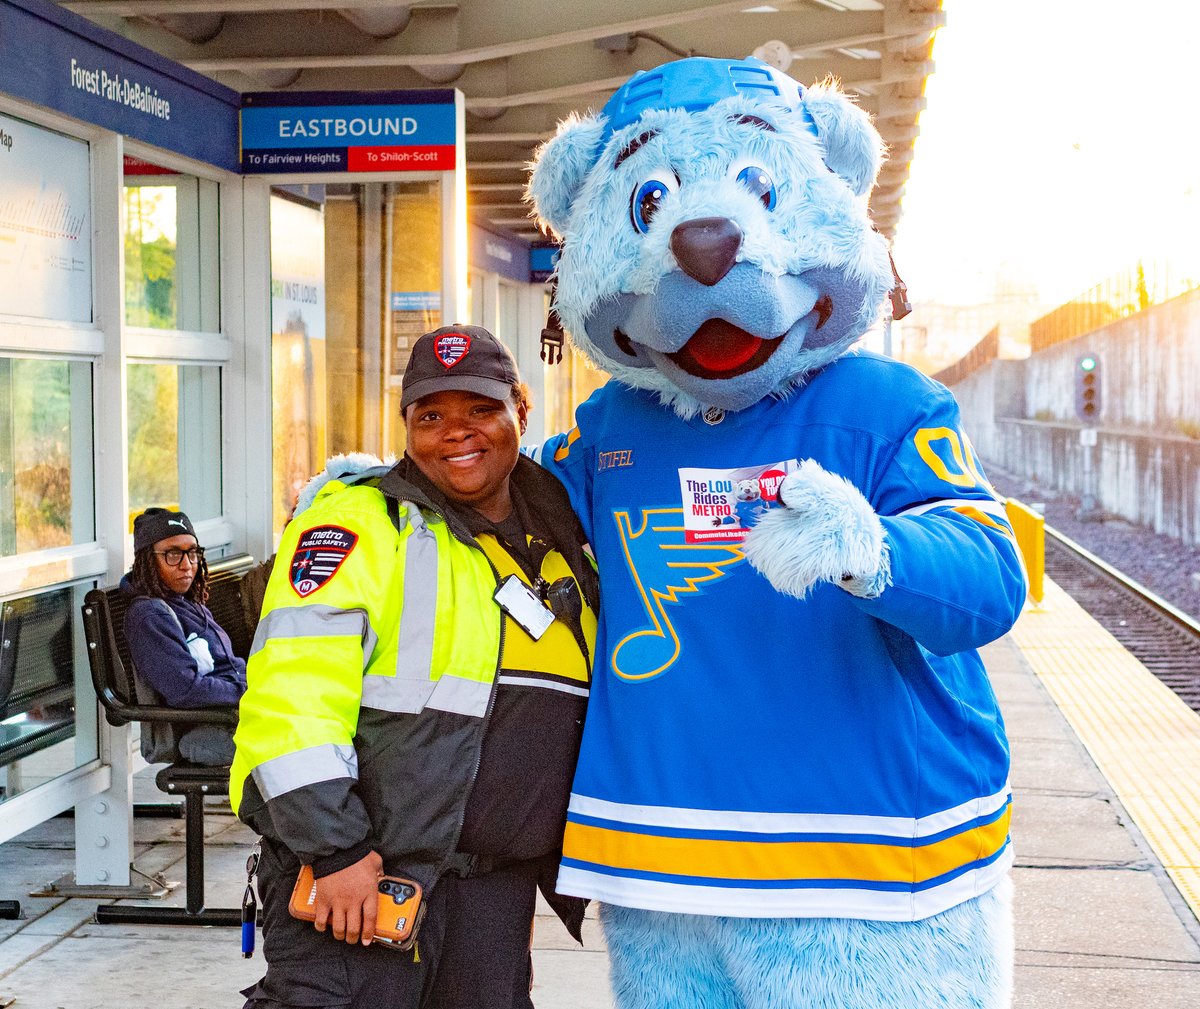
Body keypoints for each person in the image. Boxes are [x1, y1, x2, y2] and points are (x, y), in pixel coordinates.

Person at [232, 324, 598, 1009]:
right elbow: (291, 702)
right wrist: (335, 850)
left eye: (480, 409)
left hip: (493, 891)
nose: (455, 432)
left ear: (521, 409)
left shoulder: (560, 528)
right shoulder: (359, 525)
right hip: (365, 882)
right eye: (430, 416)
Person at [121, 507, 246, 766]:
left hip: (233, 715)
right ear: (147, 560)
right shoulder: (150, 615)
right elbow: (185, 690)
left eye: (192, 553)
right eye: (173, 554)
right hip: (205, 729)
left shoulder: (186, 601)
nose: (187, 565)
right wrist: (245, 691)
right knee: (299, 744)